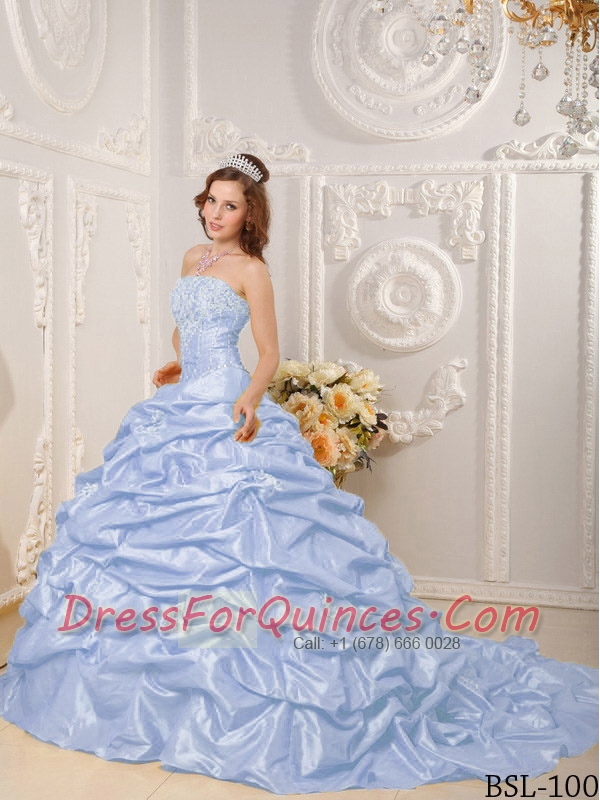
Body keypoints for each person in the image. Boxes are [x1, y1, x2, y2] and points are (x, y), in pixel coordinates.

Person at [0, 153, 597, 796]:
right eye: (210, 201)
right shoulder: (190, 258)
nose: (216, 213)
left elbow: (267, 353)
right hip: (181, 402)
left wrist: (250, 398)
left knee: (244, 545)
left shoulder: (252, 270)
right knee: (150, 537)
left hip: (229, 404)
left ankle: (241, 671)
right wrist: (178, 365)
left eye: (230, 205)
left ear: (248, 214)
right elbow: (185, 331)